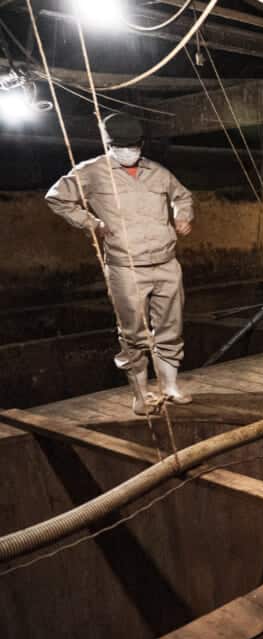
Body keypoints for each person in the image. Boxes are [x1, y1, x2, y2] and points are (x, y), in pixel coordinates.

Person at [45, 113, 194, 415]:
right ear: (109, 144)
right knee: (133, 333)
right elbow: (57, 197)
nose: (128, 151)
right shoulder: (91, 171)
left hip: (166, 262)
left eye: (133, 145)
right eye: (121, 145)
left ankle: (170, 387)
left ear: (141, 144)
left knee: (171, 327)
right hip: (126, 267)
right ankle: (140, 396)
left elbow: (183, 195)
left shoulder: (158, 172)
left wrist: (183, 215)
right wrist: (91, 222)